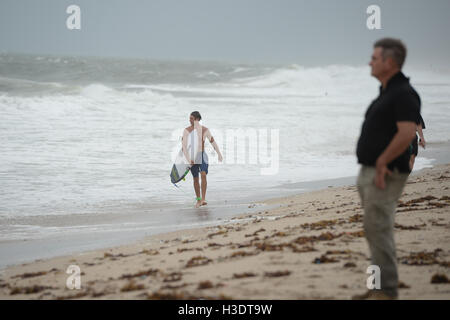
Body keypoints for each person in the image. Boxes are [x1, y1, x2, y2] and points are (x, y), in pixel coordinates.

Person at [354, 38, 422, 300]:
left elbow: (407, 133)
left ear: (390, 62)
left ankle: (386, 291)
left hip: (386, 172)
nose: (370, 62)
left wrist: (382, 162)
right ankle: (376, 288)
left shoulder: (403, 93)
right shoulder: (388, 92)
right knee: (374, 228)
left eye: (374, 58)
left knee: (378, 228)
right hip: (373, 171)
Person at [182, 111, 223, 208]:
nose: (189, 120)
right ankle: (198, 200)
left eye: (191, 118)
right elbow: (184, 146)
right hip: (192, 156)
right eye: (189, 118)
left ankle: (203, 199)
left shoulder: (205, 130)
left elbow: (213, 142)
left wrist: (219, 154)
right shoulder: (186, 130)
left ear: (197, 119)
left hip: (202, 155)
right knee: (195, 178)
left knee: (203, 174)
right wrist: (188, 159)